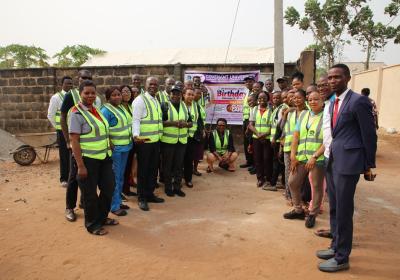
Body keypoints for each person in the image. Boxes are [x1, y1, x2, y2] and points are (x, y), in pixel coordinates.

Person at [317, 64, 377, 272]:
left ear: (348, 78)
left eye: (337, 77)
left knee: (343, 210)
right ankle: (335, 246)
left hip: (348, 162)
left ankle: (342, 258)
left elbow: (369, 134)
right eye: (330, 78)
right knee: (334, 207)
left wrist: (369, 165)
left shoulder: (358, 101)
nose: (333, 81)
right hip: (332, 160)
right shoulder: (333, 102)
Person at [68, 80, 117, 236]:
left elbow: (102, 130)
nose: (90, 95)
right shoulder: (76, 113)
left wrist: (109, 142)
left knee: (109, 188)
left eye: (93, 93)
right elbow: (74, 140)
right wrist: (80, 166)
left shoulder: (96, 110)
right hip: (88, 160)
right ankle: (92, 224)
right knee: (89, 194)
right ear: (80, 94)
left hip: (104, 158)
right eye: (86, 93)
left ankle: (102, 218)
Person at [60, 70, 101, 222]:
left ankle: (84, 202)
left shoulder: (95, 97)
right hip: (76, 143)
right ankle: (69, 207)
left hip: (92, 147)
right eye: (83, 77)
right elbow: (63, 117)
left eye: (89, 78)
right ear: (78, 79)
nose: (85, 79)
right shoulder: (71, 95)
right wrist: (68, 141)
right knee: (74, 177)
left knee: (89, 177)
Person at [283, 91, 325, 229]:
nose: (313, 102)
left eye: (316, 99)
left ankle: (312, 214)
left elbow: (329, 141)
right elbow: (296, 136)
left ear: (322, 100)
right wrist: (293, 156)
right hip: (301, 158)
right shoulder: (304, 114)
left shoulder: (327, 117)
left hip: (317, 159)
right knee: (292, 182)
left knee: (317, 186)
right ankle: (298, 210)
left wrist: (315, 157)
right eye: (310, 99)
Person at [132, 77, 165, 211]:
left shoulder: (156, 100)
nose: (153, 86)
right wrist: (136, 136)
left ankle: (150, 194)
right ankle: (142, 197)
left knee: (152, 169)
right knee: (143, 170)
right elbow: (136, 120)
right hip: (144, 142)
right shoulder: (140, 100)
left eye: (155, 84)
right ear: (145, 86)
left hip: (155, 141)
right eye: (150, 84)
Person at [101, 87, 133, 216]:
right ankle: (114, 206)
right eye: (114, 95)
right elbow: (103, 130)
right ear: (108, 98)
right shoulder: (105, 111)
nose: (118, 97)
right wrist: (110, 144)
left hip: (125, 146)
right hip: (116, 150)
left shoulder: (120, 108)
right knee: (115, 178)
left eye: (119, 94)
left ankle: (118, 201)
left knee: (120, 178)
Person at [160, 86, 192, 197]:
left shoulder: (185, 106)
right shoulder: (165, 105)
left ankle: (177, 187)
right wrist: (174, 123)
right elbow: (161, 122)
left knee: (179, 165)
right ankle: (168, 187)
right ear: (170, 95)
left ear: (181, 95)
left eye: (178, 94)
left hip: (182, 141)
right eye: (173, 94)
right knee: (167, 166)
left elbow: (191, 122)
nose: (175, 96)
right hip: (168, 141)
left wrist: (186, 124)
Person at [281, 89, 308, 200]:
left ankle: (300, 198)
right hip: (288, 147)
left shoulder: (308, 112)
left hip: (302, 148)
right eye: (293, 98)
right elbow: (283, 128)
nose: (295, 100)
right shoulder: (290, 112)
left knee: (301, 175)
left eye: (298, 97)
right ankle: (289, 196)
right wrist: (285, 114)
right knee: (289, 172)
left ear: (305, 98)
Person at [47, 76, 73, 188]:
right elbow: (50, 115)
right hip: (62, 131)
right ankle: (64, 178)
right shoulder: (56, 97)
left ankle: (72, 177)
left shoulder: (74, 96)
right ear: (61, 84)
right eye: (67, 83)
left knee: (73, 154)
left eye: (71, 84)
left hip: (73, 130)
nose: (69, 86)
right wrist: (59, 128)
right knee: (64, 155)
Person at [248, 92, 273, 188]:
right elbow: (250, 125)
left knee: (267, 159)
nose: (262, 100)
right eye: (260, 98)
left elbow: (273, 126)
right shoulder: (254, 109)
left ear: (267, 99)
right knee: (257, 159)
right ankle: (260, 178)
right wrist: (258, 134)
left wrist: (264, 134)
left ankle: (268, 179)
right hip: (256, 138)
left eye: (264, 98)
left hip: (267, 138)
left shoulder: (271, 110)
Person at [265, 91, 288, 191]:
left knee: (276, 162)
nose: (275, 100)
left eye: (278, 98)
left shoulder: (283, 108)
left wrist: (275, 138)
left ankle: (273, 183)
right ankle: (282, 182)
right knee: (280, 162)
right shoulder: (275, 109)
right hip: (275, 138)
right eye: (274, 98)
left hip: (278, 139)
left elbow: (280, 126)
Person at [120, 85, 137, 197]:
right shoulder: (118, 107)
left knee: (127, 168)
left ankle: (126, 189)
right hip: (120, 144)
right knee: (120, 169)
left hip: (130, 142)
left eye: (128, 92)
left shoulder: (130, 107)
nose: (127, 94)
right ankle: (119, 191)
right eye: (124, 91)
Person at [183, 88, 200, 188]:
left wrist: (199, 132)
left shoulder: (195, 105)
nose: (190, 97)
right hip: (181, 136)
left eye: (192, 95)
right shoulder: (180, 105)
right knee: (179, 160)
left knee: (189, 159)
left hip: (192, 137)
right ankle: (177, 178)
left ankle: (188, 179)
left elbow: (199, 121)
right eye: (188, 94)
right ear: (184, 95)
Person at [240, 76, 255, 169]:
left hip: (251, 120)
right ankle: (248, 161)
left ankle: (253, 163)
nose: (248, 83)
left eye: (250, 82)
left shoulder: (255, 94)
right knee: (246, 142)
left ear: (253, 82)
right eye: (246, 82)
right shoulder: (247, 93)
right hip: (245, 120)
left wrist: (249, 124)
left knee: (251, 141)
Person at [193, 88, 206, 176]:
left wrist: (203, 130)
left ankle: (195, 169)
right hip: (191, 133)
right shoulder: (189, 104)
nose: (198, 95)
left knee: (197, 153)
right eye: (196, 93)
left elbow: (201, 120)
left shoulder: (199, 105)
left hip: (199, 132)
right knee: (190, 153)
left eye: (199, 94)